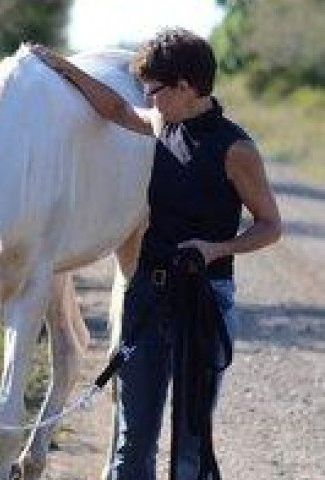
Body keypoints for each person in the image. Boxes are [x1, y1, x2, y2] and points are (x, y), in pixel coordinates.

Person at [32, 28, 281, 480]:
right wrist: (60, 66)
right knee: (133, 443)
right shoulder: (160, 124)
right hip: (147, 297)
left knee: (189, 448)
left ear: (186, 87)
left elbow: (270, 225)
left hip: (204, 303)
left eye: (155, 90)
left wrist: (217, 248)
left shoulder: (236, 149)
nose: (148, 98)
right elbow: (113, 108)